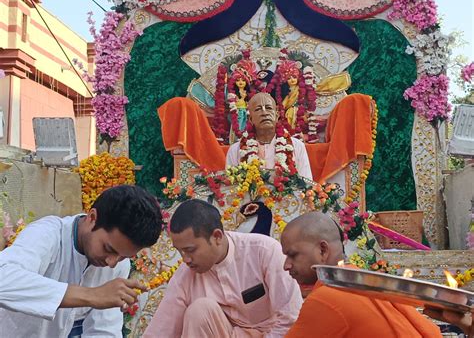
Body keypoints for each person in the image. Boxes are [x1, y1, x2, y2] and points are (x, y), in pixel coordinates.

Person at [0, 184, 163, 337]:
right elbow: (3, 279)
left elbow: (104, 331)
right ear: (92, 218)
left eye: (124, 256)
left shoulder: (119, 264)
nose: (112, 262)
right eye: (108, 249)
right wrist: (92, 295)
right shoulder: (48, 233)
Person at [143, 199, 303, 338]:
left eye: (190, 250)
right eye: (180, 252)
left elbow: (290, 317)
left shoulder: (264, 251)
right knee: (200, 311)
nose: (185, 259)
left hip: (271, 334)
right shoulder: (185, 275)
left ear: (217, 237)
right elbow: (160, 330)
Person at [280, 211, 442, 338]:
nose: (286, 265)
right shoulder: (367, 282)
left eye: (293, 255)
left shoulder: (326, 298)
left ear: (323, 250)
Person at [226, 92, 313, 179]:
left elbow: (306, 185)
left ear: (277, 115)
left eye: (268, 108)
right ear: (251, 119)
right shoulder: (236, 150)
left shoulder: (297, 146)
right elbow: (230, 186)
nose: (264, 113)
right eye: (258, 109)